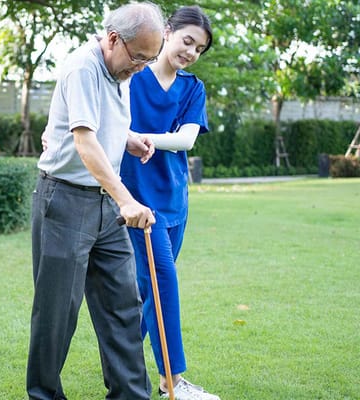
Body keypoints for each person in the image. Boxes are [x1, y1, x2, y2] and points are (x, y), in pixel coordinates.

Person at [27, 2, 165, 399]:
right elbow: (84, 141)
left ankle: (130, 395)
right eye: (138, 58)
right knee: (57, 313)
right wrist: (126, 200)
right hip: (65, 202)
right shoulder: (83, 66)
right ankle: (44, 395)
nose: (140, 68)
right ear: (112, 38)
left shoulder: (121, 67)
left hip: (106, 205)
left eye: (148, 60)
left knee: (123, 304)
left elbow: (102, 123)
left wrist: (128, 137)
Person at [119, 5, 220, 400]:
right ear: (167, 31)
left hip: (176, 201)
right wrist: (133, 137)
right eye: (187, 41)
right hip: (139, 202)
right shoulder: (132, 76)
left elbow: (187, 139)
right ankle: (171, 382)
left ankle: (121, 367)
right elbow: (110, 124)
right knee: (163, 281)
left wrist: (141, 139)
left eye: (199, 49)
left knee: (147, 293)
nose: (192, 52)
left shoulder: (193, 88)